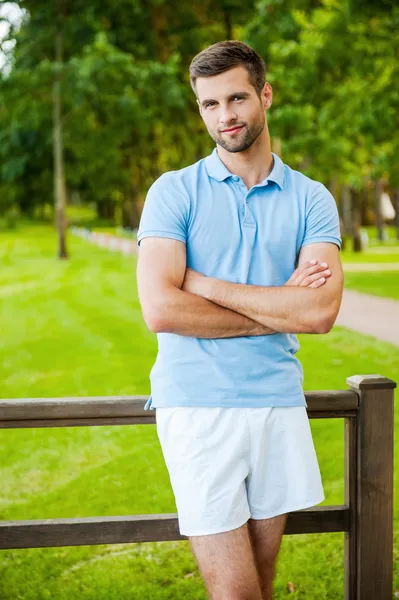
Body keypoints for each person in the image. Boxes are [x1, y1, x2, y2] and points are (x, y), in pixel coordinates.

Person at [136, 40, 343, 600]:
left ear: (265, 95)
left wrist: (203, 286)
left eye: (236, 98)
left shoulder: (312, 199)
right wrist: (278, 309)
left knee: (263, 582)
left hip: (277, 401)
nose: (224, 116)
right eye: (209, 105)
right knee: (237, 593)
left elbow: (319, 311)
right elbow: (160, 309)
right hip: (198, 407)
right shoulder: (173, 192)